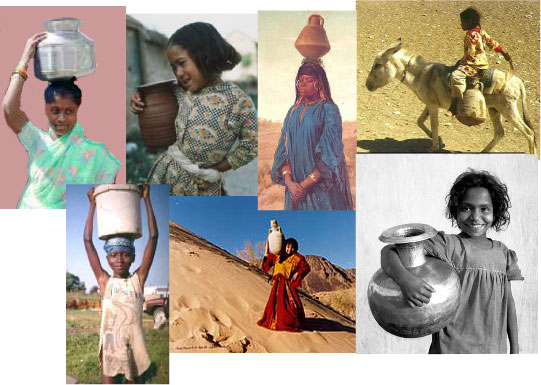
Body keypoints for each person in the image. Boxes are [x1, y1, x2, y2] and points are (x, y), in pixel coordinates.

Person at [381, 170, 522, 353]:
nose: (475, 216)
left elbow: (508, 302)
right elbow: (389, 250)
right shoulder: (447, 244)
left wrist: (515, 349)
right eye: (466, 208)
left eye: (484, 209)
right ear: (455, 210)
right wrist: (405, 280)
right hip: (450, 350)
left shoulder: (503, 253)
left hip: (495, 351)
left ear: (496, 212)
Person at [130, 22, 257, 196]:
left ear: (205, 56)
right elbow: (150, 97)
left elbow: (252, 145)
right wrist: (138, 100)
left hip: (201, 185)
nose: (179, 73)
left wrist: (217, 169)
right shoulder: (178, 92)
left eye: (182, 63)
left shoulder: (238, 101)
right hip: (165, 175)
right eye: (174, 68)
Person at [2, 33, 121, 209]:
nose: (62, 118)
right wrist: (24, 59)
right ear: (45, 109)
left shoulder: (96, 154)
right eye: (55, 111)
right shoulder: (37, 141)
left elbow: (103, 200)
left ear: (78, 110)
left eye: (69, 111)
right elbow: (9, 109)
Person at [84, 184, 158, 383]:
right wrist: (92, 205)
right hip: (110, 347)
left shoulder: (138, 280)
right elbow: (87, 241)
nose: (119, 260)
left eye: (126, 255)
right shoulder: (104, 281)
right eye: (113, 255)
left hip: (134, 347)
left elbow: (153, 237)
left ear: (133, 258)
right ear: (107, 259)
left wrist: (146, 200)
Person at [271, 61, 353, 210]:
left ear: (319, 83)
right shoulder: (292, 112)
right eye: (300, 80)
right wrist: (290, 184)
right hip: (294, 191)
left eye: (309, 81)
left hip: (320, 189)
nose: (303, 84)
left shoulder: (328, 110)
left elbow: (330, 154)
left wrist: (302, 186)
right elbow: (283, 151)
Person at [447, 7, 513, 116]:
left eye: (462, 22)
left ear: (469, 22)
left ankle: (454, 104)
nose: (461, 24)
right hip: (483, 65)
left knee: (455, 76)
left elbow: (471, 52)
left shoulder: (470, 34)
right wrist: (505, 54)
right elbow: (493, 44)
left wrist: (461, 63)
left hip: (473, 65)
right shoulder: (482, 33)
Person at [257, 238, 311, 332]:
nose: (289, 249)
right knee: (274, 306)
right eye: (288, 246)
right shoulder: (277, 255)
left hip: (288, 286)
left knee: (292, 307)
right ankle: (276, 322)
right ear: (284, 246)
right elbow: (266, 264)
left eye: (292, 247)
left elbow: (306, 267)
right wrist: (266, 251)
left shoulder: (298, 257)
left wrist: (297, 273)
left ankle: (290, 322)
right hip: (276, 286)